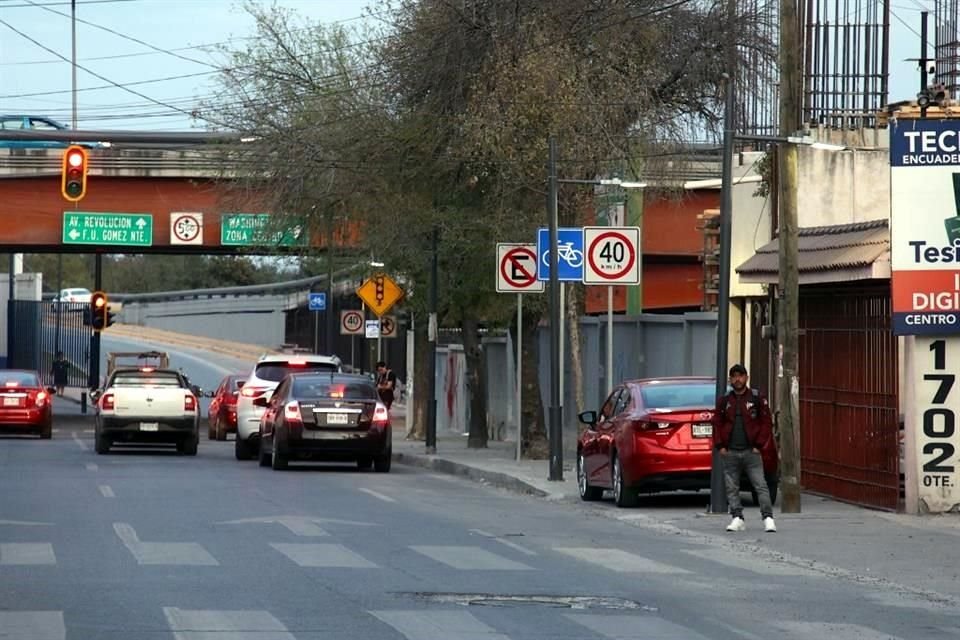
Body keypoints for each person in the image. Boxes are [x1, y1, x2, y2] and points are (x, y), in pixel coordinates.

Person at [712, 363, 777, 533]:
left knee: (760, 485)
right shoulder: (724, 401)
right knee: (732, 487)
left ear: (746, 378)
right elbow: (717, 424)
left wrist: (759, 445)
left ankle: (768, 518)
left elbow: (766, 422)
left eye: (740, 376)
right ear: (730, 379)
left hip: (751, 452)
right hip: (731, 451)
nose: (737, 379)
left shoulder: (756, 398)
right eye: (734, 376)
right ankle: (737, 517)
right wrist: (720, 446)